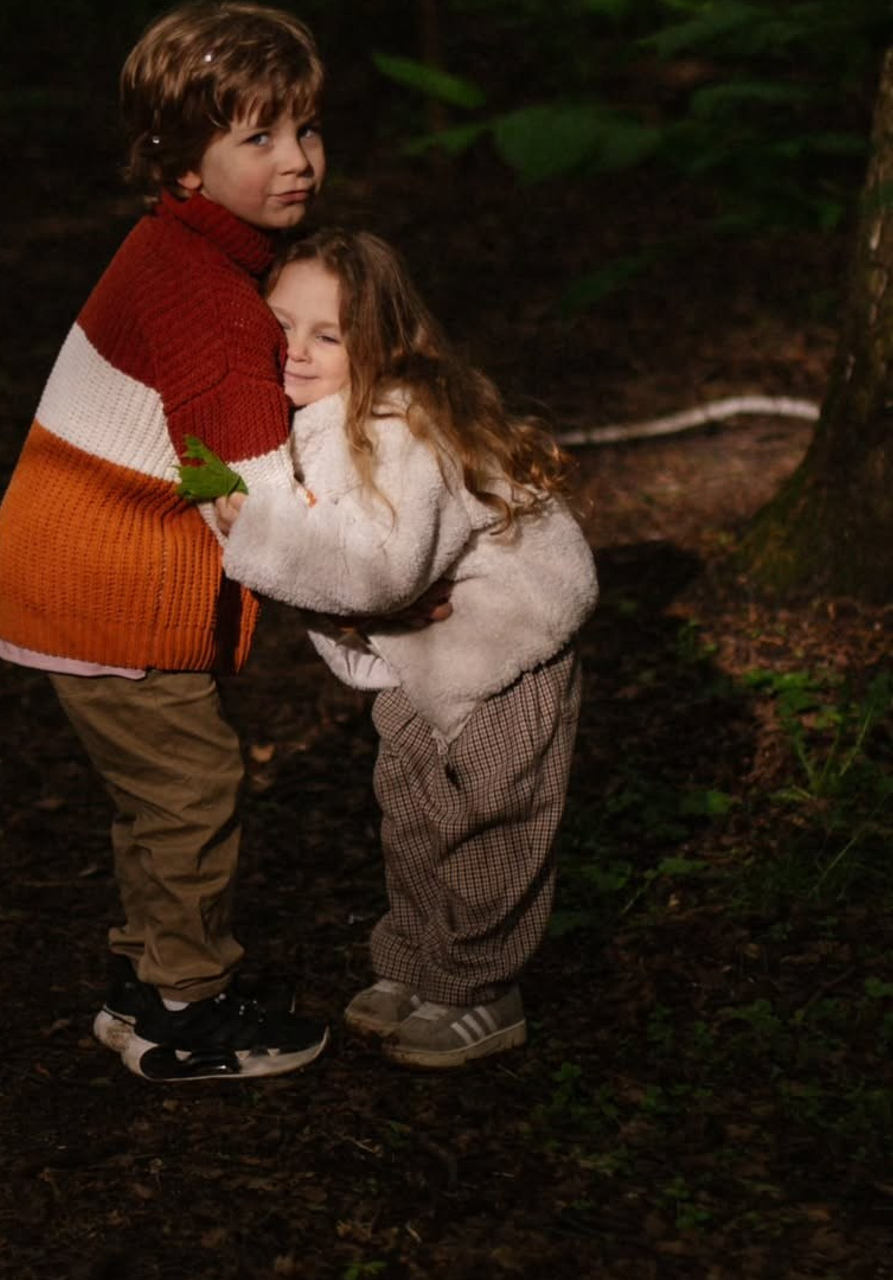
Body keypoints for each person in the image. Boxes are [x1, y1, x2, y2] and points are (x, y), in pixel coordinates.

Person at [0, 2, 337, 1083]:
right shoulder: (214, 304)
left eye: (306, 130)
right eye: (257, 139)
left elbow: (204, 463)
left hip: (68, 569)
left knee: (159, 791)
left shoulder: (169, 250)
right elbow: (255, 502)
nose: (298, 162)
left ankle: (146, 979)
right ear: (180, 165)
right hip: (104, 584)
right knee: (191, 787)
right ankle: (186, 1009)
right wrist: (372, 596)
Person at [216, 228, 600, 1070]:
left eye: (329, 334)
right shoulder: (316, 419)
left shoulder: (401, 424)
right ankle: (417, 962)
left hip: (501, 657)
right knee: (415, 810)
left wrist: (254, 527)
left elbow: (377, 571)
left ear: (381, 344)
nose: (300, 351)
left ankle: (481, 989)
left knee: (490, 820)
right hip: (421, 660)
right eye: (283, 326)